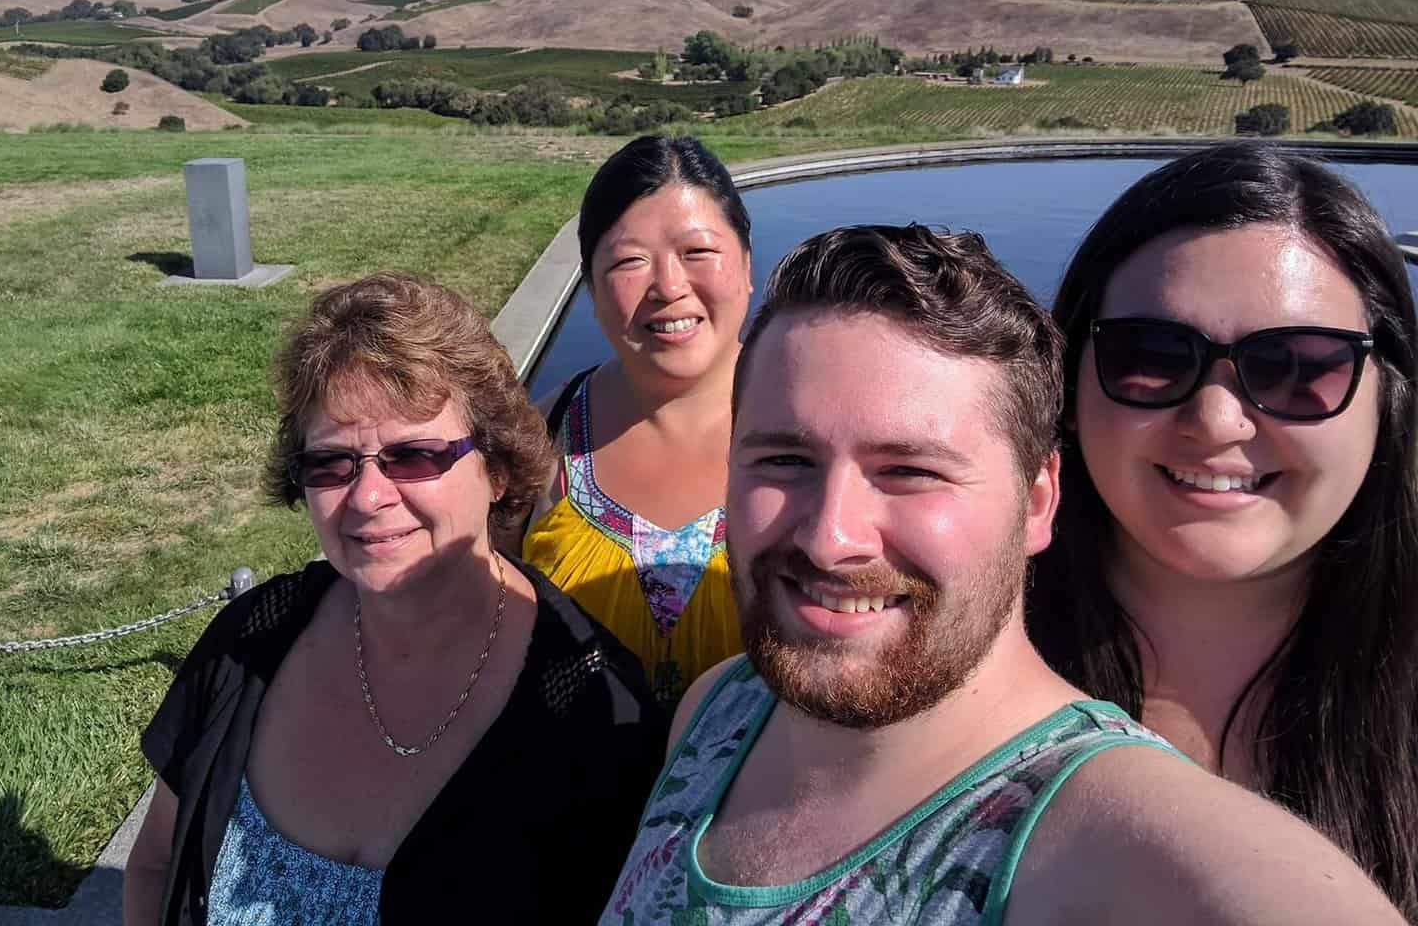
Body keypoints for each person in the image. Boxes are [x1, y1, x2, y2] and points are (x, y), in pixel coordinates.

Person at [601, 224, 1402, 925]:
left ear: (1037, 502)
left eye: (910, 470)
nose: (829, 537)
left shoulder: (1109, 838)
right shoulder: (715, 710)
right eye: (784, 459)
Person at [123, 273, 666, 926]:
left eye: (412, 456)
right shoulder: (249, 641)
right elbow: (157, 863)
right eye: (332, 462)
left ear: (495, 468)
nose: (368, 497)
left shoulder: (599, 716)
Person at [1027, 141, 1418, 918]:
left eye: (1300, 367)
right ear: (1069, 386)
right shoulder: (952, 649)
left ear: (1388, 398)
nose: (1215, 420)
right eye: (1148, 357)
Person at [519, 135, 754, 710]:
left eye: (697, 252)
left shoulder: (825, 424)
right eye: (629, 261)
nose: (669, 287)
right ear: (591, 292)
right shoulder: (541, 435)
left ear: (747, 266)